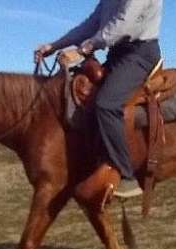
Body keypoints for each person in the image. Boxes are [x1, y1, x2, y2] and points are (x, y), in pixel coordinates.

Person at [34, 0, 163, 198]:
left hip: (139, 55)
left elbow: (123, 23)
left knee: (107, 104)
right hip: (117, 54)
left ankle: (126, 175)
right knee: (83, 94)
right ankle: (91, 162)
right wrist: (54, 46)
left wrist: (81, 51)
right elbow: (91, 24)